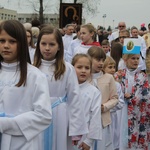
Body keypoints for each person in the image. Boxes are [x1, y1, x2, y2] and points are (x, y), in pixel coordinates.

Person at [33, 26, 88, 150]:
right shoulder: (32, 67)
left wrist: (76, 128)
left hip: (60, 116)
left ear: (59, 46)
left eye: (52, 44)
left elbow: (74, 98)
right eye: (43, 44)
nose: (47, 48)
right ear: (38, 45)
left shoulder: (67, 69)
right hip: (37, 114)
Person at [0, 20, 52, 150]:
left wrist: (7, 124)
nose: (6, 46)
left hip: (22, 142)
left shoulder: (34, 76)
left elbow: (44, 115)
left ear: (22, 44)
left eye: (12, 41)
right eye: (2, 41)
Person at [116, 54, 150, 150]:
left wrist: (133, 98)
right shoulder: (119, 74)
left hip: (137, 111)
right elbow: (115, 91)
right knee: (122, 134)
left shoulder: (142, 76)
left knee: (137, 132)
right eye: (133, 58)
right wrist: (123, 95)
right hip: (122, 111)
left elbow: (146, 94)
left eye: (137, 59)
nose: (135, 61)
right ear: (126, 60)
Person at [87, 46, 118, 150]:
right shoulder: (84, 77)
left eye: (103, 60)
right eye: (97, 60)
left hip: (102, 120)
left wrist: (104, 107)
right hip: (87, 119)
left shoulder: (108, 78)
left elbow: (114, 98)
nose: (101, 63)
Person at [72, 53, 102, 150]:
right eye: (79, 67)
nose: (83, 71)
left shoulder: (94, 92)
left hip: (84, 137)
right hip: (66, 134)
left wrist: (89, 141)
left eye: (87, 68)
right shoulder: (66, 89)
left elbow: (95, 117)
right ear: (72, 68)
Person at [103, 56, 124, 150]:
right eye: (109, 67)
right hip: (101, 117)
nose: (112, 70)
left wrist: (107, 107)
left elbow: (120, 103)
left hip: (112, 117)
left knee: (112, 139)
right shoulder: (99, 82)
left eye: (113, 67)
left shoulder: (117, 85)